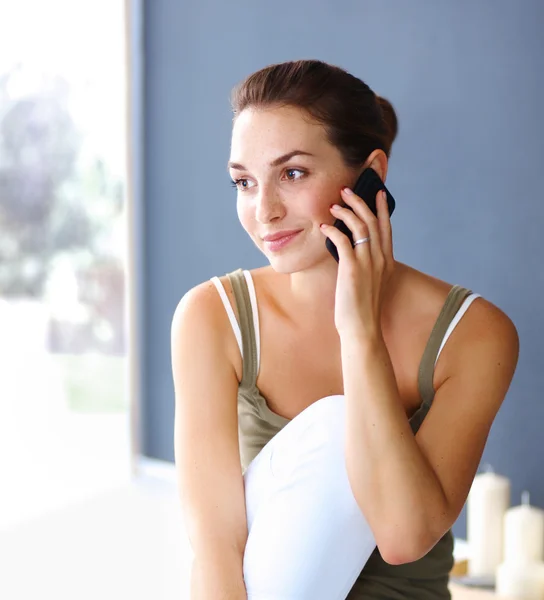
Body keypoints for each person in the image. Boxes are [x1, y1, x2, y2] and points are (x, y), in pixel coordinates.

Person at [171, 59, 519, 599]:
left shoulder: (474, 335)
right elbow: (216, 551)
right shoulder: (211, 317)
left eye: (292, 173)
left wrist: (359, 330)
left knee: (340, 421)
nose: (264, 210)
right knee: (332, 425)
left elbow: (404, 536)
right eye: (244, 181)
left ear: (370, 173)